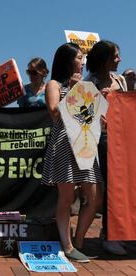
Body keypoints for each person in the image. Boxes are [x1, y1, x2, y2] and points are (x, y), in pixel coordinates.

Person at [42, 42, 103, 262]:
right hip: (64, 145)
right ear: (67, 60)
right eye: (78, 57)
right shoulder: (54, 84)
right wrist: (74, 89)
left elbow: (88, 116)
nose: (82, 61)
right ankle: (67, 247)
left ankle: (78, 241)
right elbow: (55, 113)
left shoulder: (85, 85)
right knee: (66, 199)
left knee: (94, 198)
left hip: (84, 144)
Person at [85, 40, 128, 256]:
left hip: (124, 140)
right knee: (109, 187)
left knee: (123, 188)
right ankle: (109, 235)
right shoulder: (89, 82)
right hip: (101, 140)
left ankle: (121, 232)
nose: (119, 59)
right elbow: (82, 114)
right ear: (105, 60)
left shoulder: (120, 80)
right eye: (116, 56)